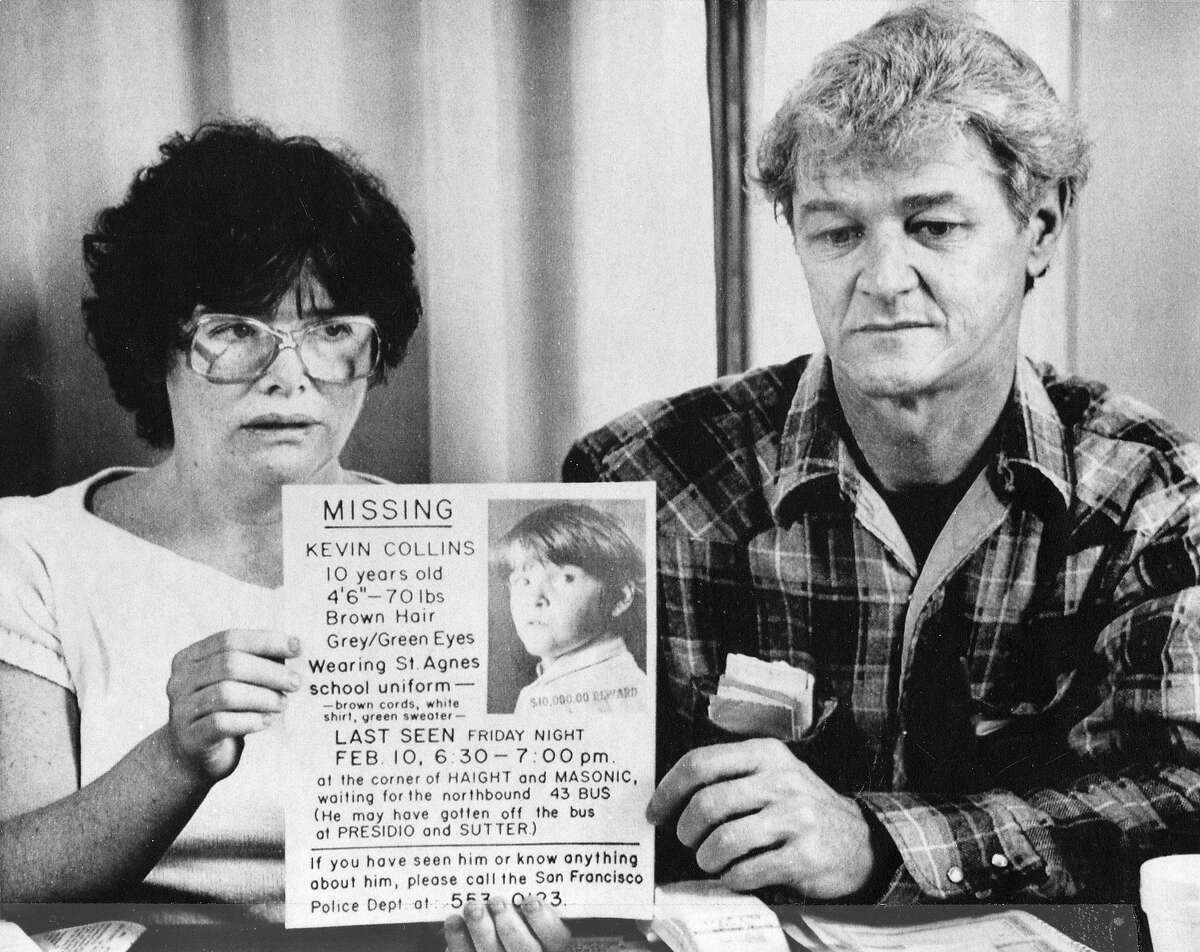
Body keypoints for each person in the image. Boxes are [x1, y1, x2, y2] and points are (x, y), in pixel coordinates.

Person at [564, 5, 1200, 904]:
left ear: (1042, 230)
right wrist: (541, 906)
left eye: (933, 226)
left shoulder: (1151, 495)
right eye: (838, 232)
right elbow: (566, 823)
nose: (883, 277)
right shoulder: (641, 483)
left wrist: (877, 842)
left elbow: (1185, 799)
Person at [0, 119, 567, 951]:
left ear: (374, 353)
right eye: (234, 329)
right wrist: (173, 758)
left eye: (332, 331)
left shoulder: (460, 554)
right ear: (152, 343)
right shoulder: (34, 551)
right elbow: (10, 880)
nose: (289, 373)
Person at [495, 503, 648, 716]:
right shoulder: (626, 676)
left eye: (565, 578)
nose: (534, 599)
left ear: (620, 597)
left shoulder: (560, 699)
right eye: (524, 581)